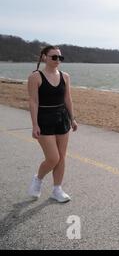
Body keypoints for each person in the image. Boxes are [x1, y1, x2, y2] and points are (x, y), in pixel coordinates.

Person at [27, 46, 78, 203]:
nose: (57, 60)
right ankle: (38, 179)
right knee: (52, 158)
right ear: (44, 57)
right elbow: (33, 101)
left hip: (61, 118)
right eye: (53, 57)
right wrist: (35, 124)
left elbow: (67, 99)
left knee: (61, 157)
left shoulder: (65, 76)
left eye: (59, 58)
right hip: (44, 119)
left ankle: (57, 189)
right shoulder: (36, 77)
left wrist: (72, 118)